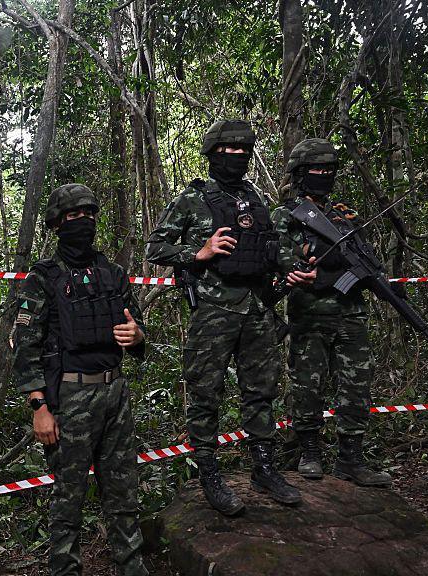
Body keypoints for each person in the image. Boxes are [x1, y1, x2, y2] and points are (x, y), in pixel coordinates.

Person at [145, 119, 302, 516]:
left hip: (258, 309)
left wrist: (294, 267)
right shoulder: (191, 200)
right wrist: (198, 252)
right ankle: (209, 474)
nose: (237, 157)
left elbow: (273, 247)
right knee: (205, 393)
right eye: (228, 151)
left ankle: (264, 467)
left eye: (244, 152)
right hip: (214, 313)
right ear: (212, 153)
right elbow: (156, 247)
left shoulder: (255, 199)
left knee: (261, 391)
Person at [11, 184, 149, 576]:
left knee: (123, 493)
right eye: (73, 216)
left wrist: (137, 336)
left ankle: (131, 567)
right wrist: (38, 406)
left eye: (89, 214)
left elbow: (136, 328)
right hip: (69, 397)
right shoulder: (44, 277)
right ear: (57, 223)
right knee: (68, 500)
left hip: (114, 392)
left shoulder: (113, 272)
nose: (83, 221)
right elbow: (25, 344)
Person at [271, 137, 392, 487]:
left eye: (328, 170)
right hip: (310, 311)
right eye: (315, 170)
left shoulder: (345, 214)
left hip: (351, 312)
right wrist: (315, 267)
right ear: (299, 173)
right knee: (308, 383)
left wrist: (382, 282)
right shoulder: (287, 215)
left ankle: (351, 458)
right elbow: (280, 259)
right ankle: (310, 452)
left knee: (357, 383)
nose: (323, 175)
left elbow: (367, 257)